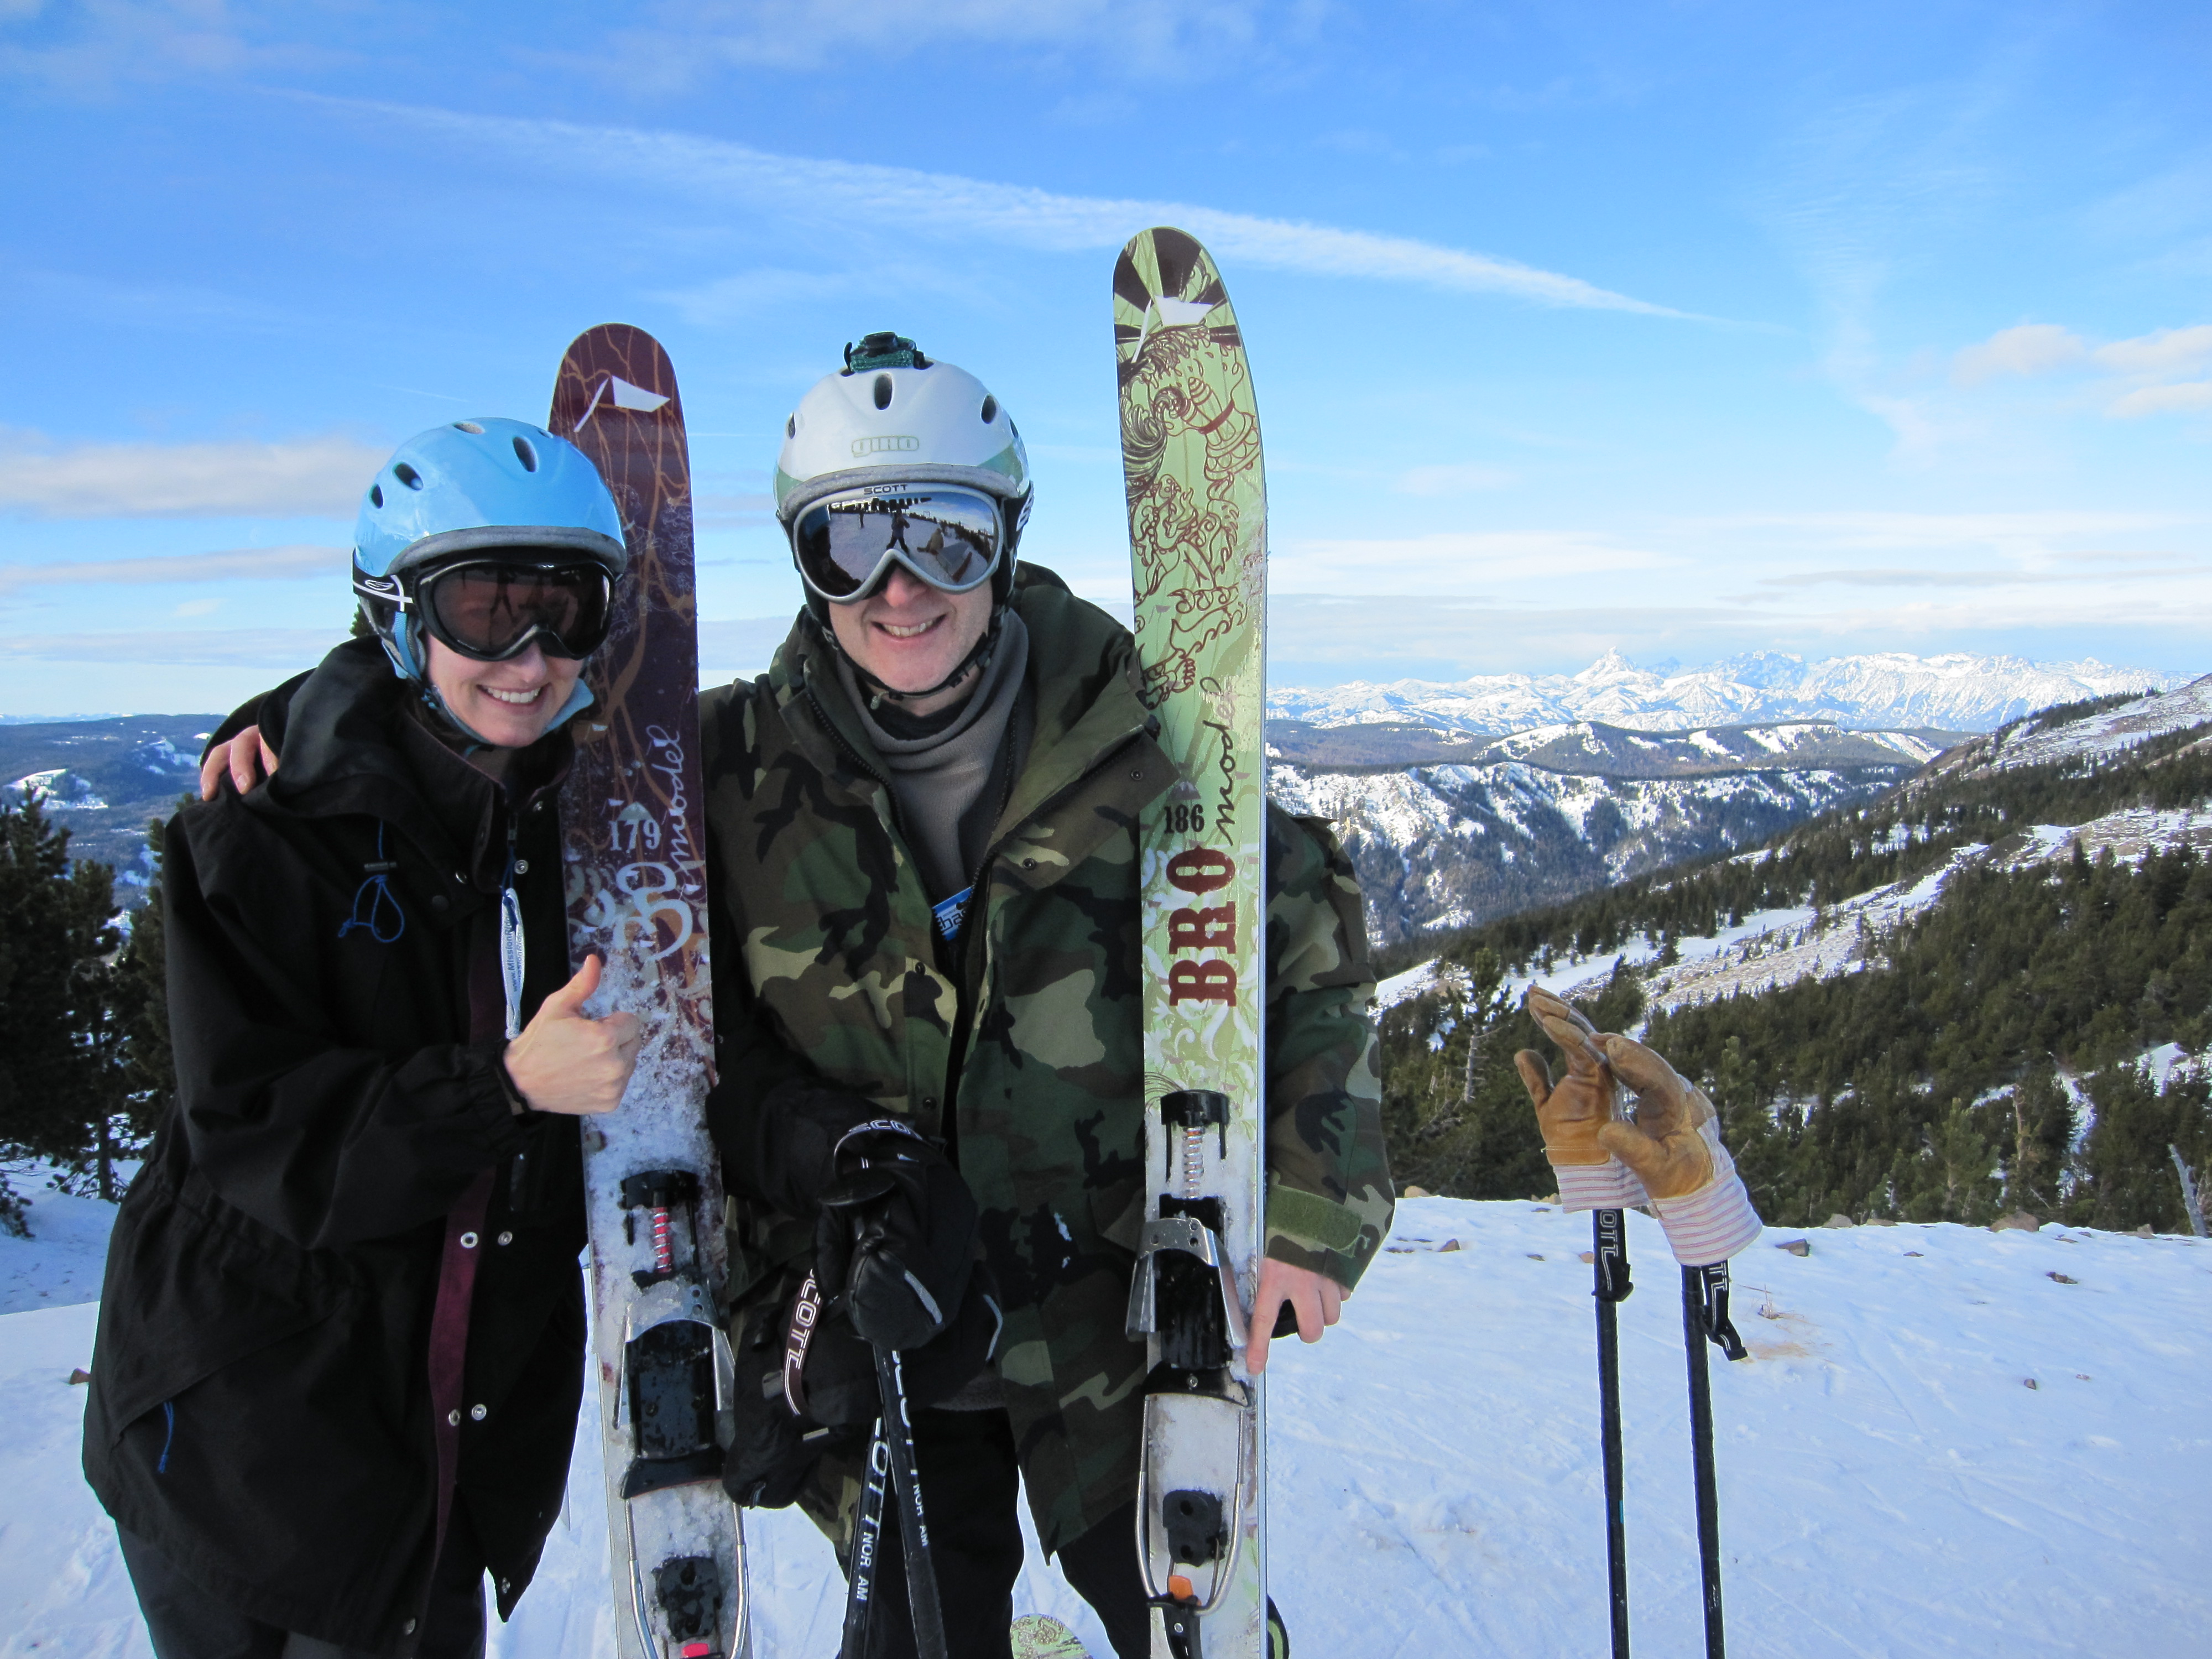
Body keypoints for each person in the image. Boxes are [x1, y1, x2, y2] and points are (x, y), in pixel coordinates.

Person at [700, 333, 1394, 1659]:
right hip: (882, 1309)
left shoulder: (1140, 728)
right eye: (847, 545)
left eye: (943, 537)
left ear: (1005, 540)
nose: (899, 586)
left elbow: (1303, 946)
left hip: (1110, 1311)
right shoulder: (726, 763)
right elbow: (524, 772)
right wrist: (307, 743)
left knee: (1191, 1622)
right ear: (801, 562)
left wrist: (1312, 1208)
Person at [87, 418, 644, 1658]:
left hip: (439, 1441)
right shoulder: (261, 827)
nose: (529, 656)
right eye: (482, 610)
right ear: (397, 616)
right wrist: (504, 1089)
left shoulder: (571, 812)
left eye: (565, 608)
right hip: (241, 1438)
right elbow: (259, 1137)